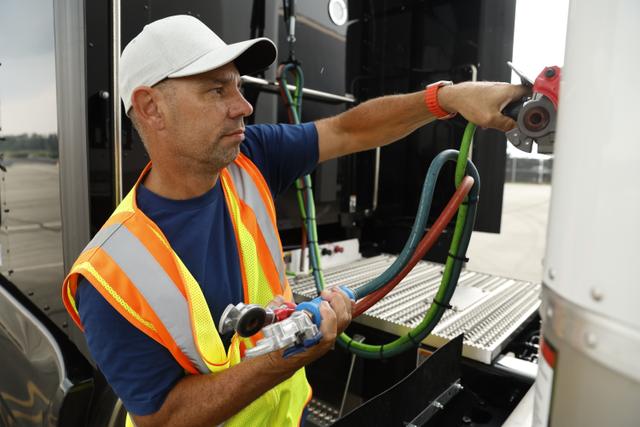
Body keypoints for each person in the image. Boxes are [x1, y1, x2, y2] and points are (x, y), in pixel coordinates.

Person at [61, 14, 527, 427]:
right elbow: (164, 417)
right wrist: (289, 353)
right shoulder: (109, 277)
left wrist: (448, 98)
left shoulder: (249, 160)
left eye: (238, 86)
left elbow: (349, 129)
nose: (242, 105)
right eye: (216, 90)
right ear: (150, 108)